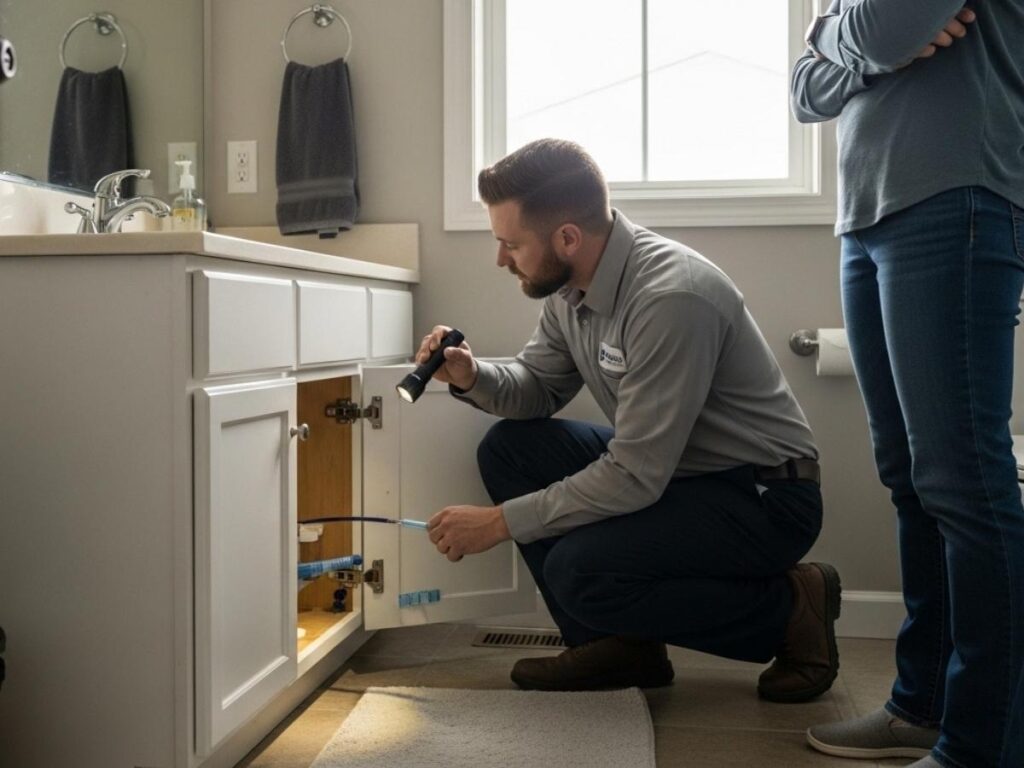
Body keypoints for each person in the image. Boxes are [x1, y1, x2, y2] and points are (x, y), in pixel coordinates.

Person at [422, 138, 840, 702]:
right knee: (510, 449)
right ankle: (615, 648)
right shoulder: (568, 289)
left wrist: (498, 523)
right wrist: (472, 376)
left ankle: (792, 609)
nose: (501, 259)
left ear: (567, 237)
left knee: (578, 569)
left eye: (510, 243)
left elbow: (635, 474)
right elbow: (540, 388)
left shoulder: (671, 297)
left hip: (762, 495)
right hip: (678, 476)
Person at [792, 3, 1024, 767]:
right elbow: (803, 91)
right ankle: (922, 707)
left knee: (964, 479)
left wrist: (840, 36)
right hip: (869, 212)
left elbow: (889, 30)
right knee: (912, 480)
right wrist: (843, 35)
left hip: (954, 192)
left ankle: (984, 743)